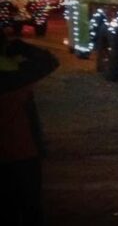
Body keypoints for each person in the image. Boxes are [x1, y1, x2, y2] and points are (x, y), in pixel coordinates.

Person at [1, 29, 60, 225]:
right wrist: (20, 47)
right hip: (22, 154)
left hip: (20, 154)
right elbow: (49, 61)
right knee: (30, 209)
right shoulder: (16, 74)